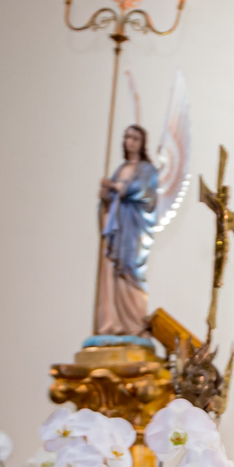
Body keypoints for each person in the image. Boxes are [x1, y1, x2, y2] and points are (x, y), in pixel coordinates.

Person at [95, 124, 159, 337]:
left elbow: (141, 191)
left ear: (142, 143)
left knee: (130, 271)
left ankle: (135, 324)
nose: (129, 142)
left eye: (134, 138)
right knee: (111, 271)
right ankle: (112, 324)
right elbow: (112, 201)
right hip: (117, 228)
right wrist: (105, 198)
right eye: (127, 137)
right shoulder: (120, 169)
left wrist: (114, 186)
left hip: (133, 229)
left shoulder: (147, 170)